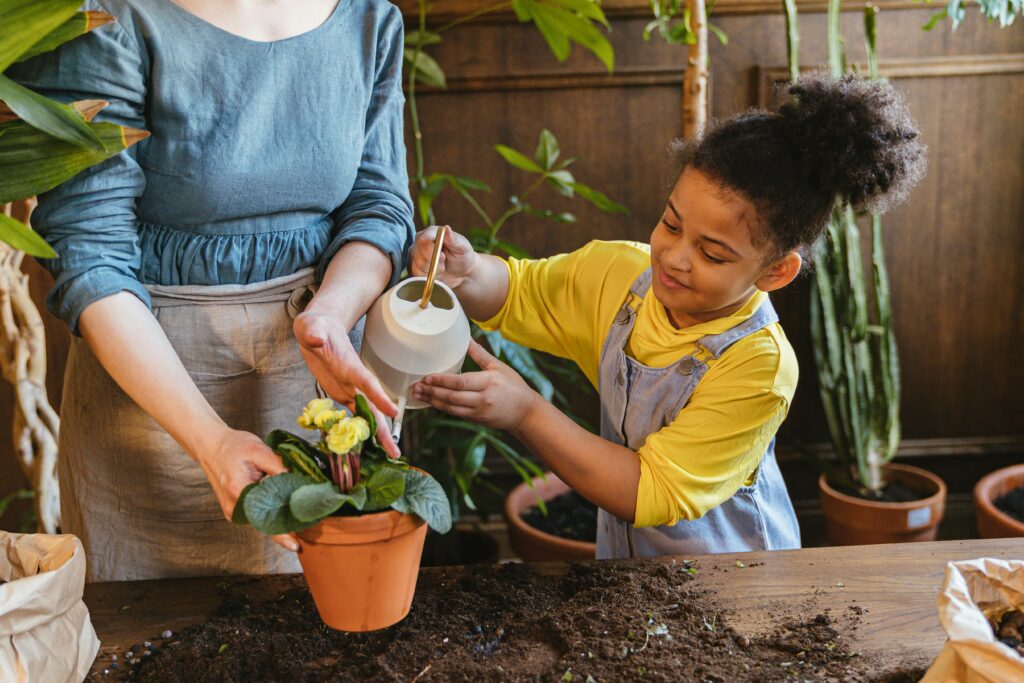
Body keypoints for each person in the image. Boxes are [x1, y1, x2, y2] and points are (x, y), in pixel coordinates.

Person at [411, 74, 926, 558]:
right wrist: (468, 270)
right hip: (631, 573)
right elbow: (519, 293)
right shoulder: (620, 273)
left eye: (714, 253)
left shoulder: (759, 367)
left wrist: (525, 412)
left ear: (776, 271)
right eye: (671, 223)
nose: (675, 257)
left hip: (738, 588)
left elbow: (648, 489)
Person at [8, 0, 413, 581]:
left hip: (319, 385)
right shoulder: (108, 16)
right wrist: (211, 442)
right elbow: (90, 252)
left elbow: (379, 205)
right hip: (153, 395)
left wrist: (329, 314)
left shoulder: (371, 19)